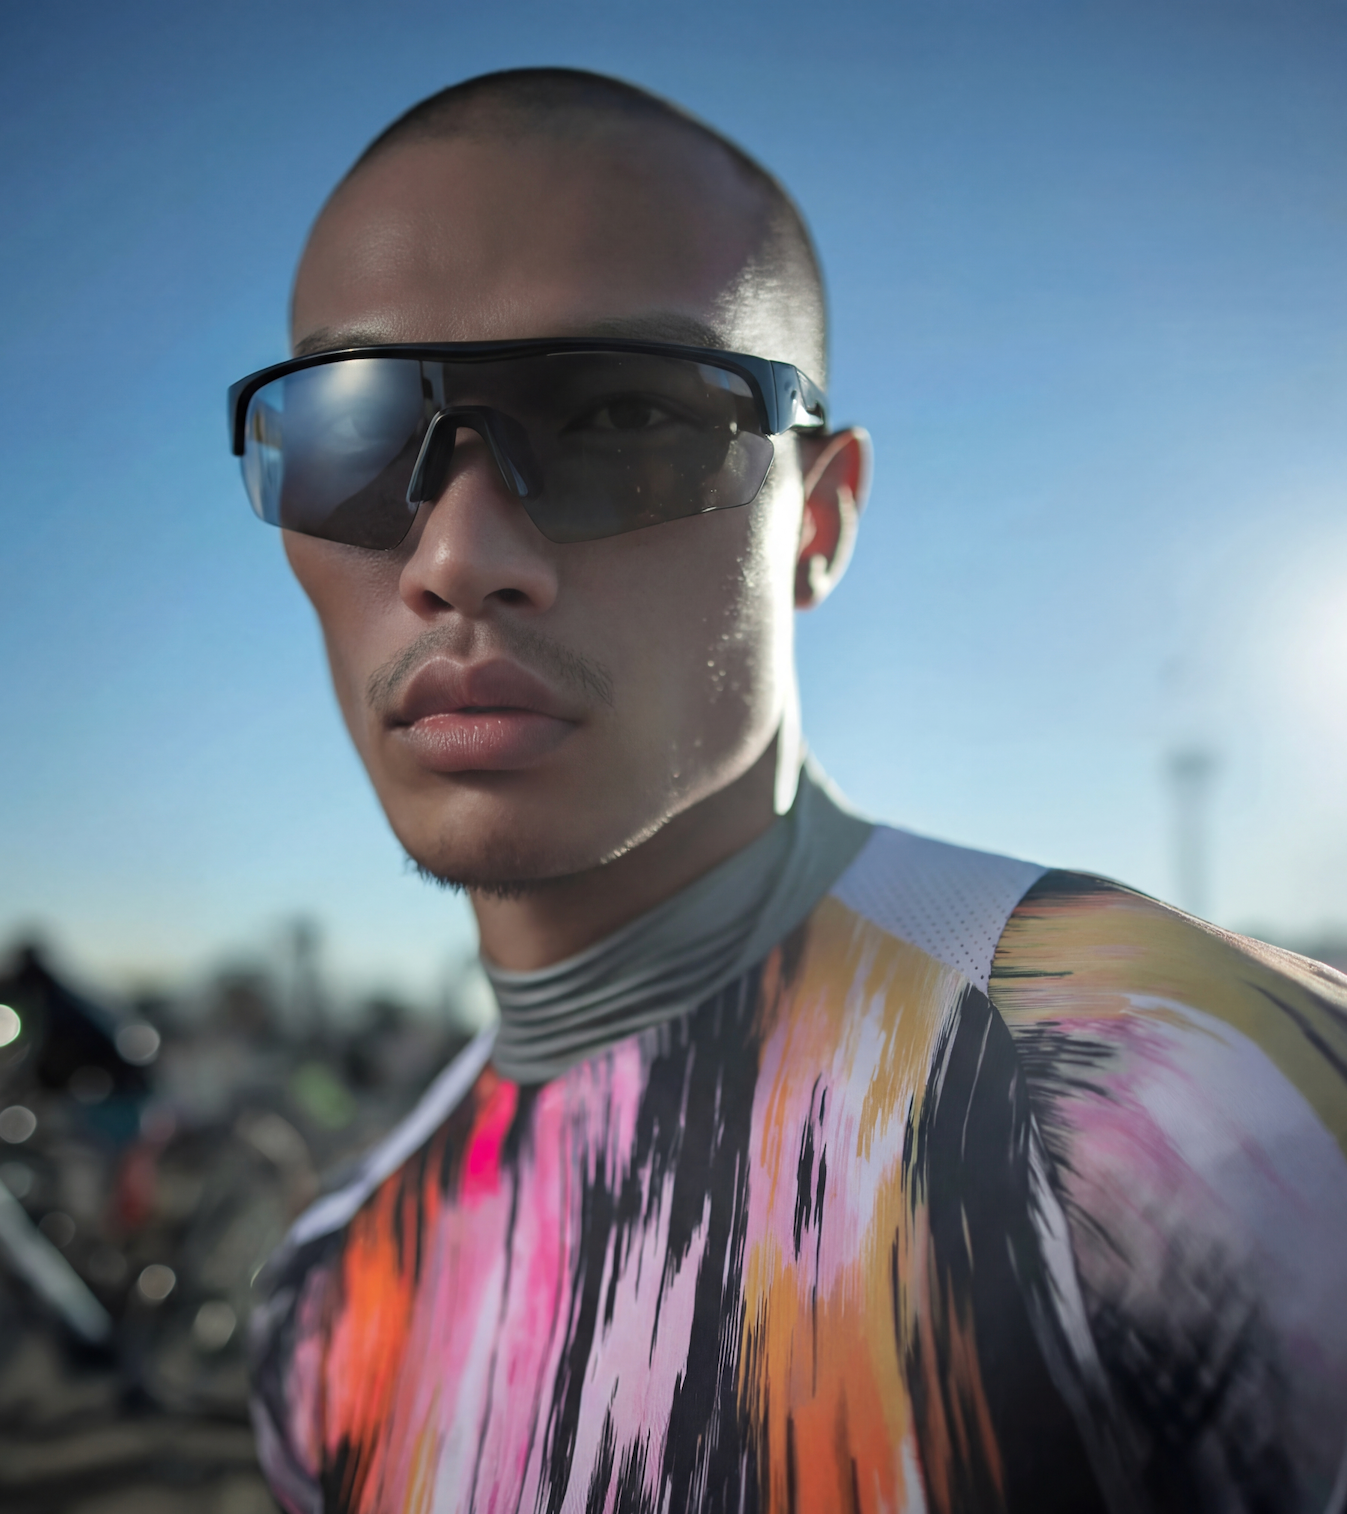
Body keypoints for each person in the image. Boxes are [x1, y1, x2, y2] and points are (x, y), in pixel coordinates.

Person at [234, 68, 1347, 1514]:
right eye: (354, 431)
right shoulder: (330, 1298)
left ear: (816, 520)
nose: (458, 555)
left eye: (621, 418)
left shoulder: (1184, 1105)